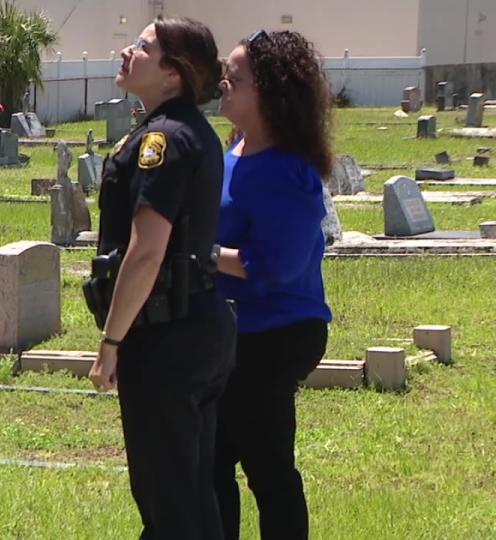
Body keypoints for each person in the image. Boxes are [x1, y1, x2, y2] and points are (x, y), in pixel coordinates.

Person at [84, 15, 235, 540]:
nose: (128, 51)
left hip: (167, 335)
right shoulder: (194, 132)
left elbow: (148, 251)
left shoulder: (163, 141)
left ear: (174, 73)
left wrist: (111, 340)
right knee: (191, 490)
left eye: (144, 47)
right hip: (200, 324)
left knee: (168, 499)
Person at [213, 29, 334, 540]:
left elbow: (275, 266)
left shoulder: (288, 170)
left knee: (267, 468)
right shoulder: (234, 151)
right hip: (234, 330)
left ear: (268, 93)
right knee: (211, 462)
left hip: (277, 331)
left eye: (234, 78)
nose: (222, 83)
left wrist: (201, 255)